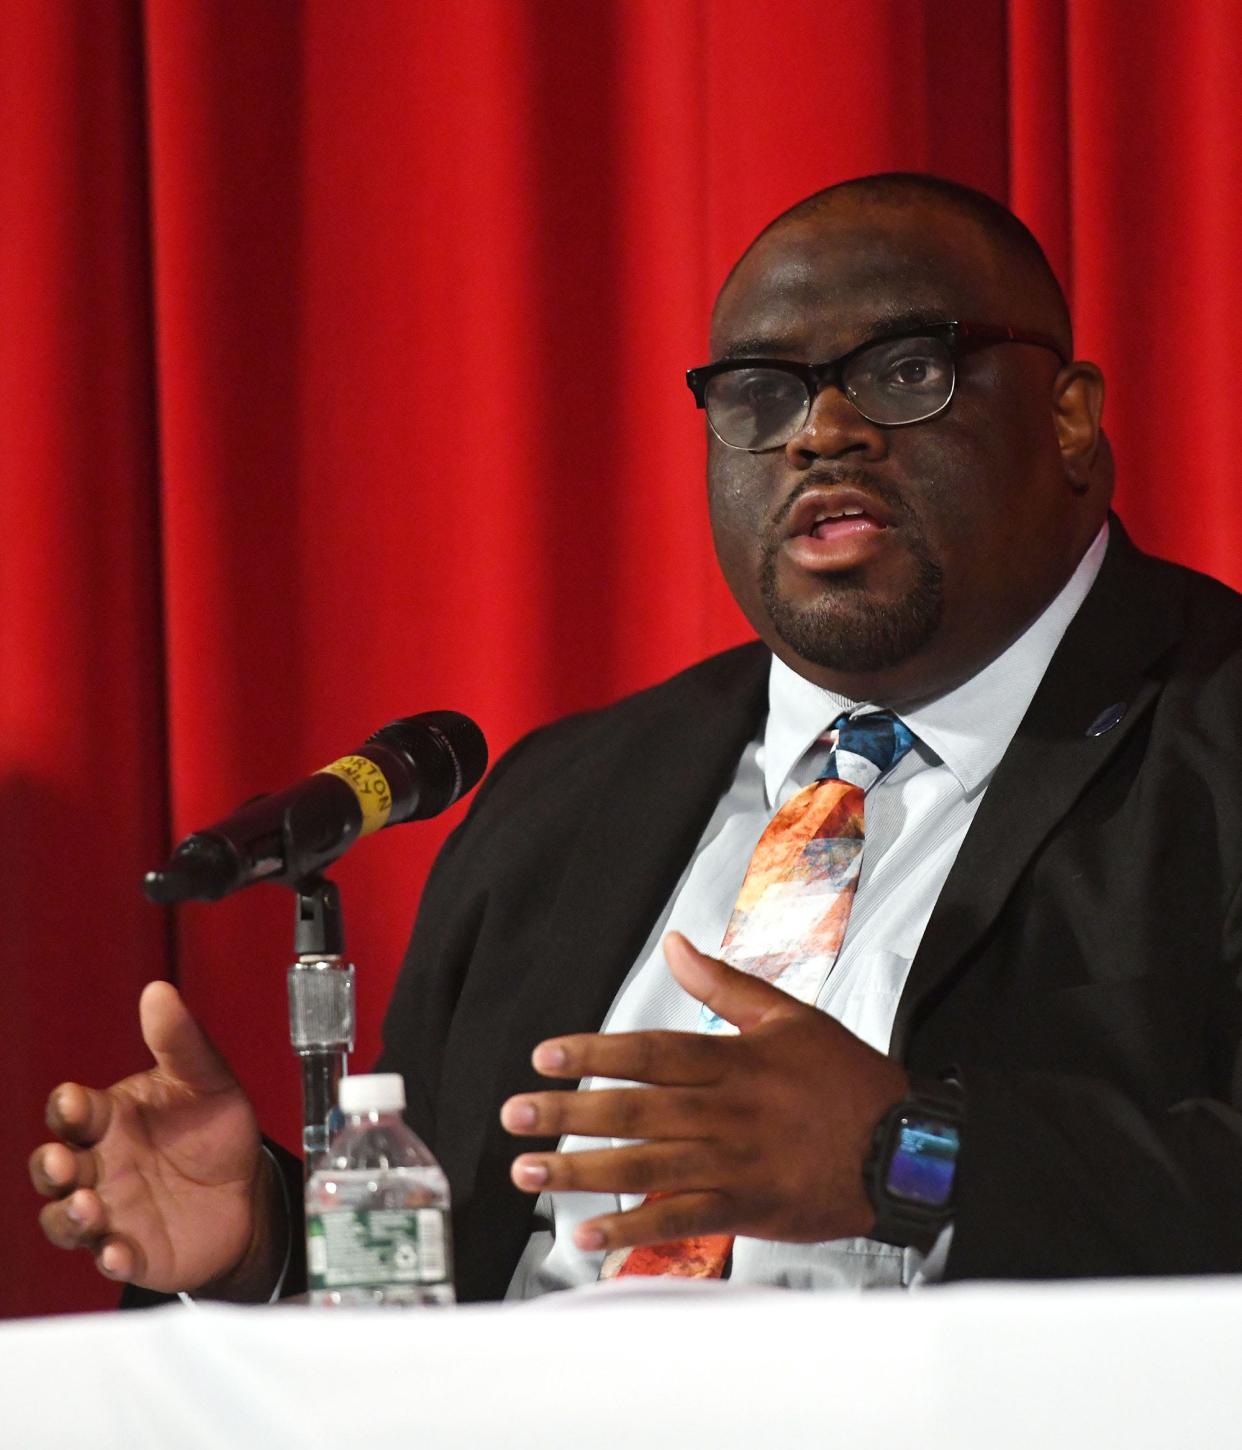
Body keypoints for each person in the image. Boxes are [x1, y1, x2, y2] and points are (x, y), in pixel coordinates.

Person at [30, 173, 1242, 1306]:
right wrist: (270, 1240)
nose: (820, 433)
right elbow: (454, 1287)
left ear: (1072, 421)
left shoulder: (1213, 730)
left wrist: (911, 1157)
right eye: (760, 396)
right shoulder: (564, 799)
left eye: (906, 370)